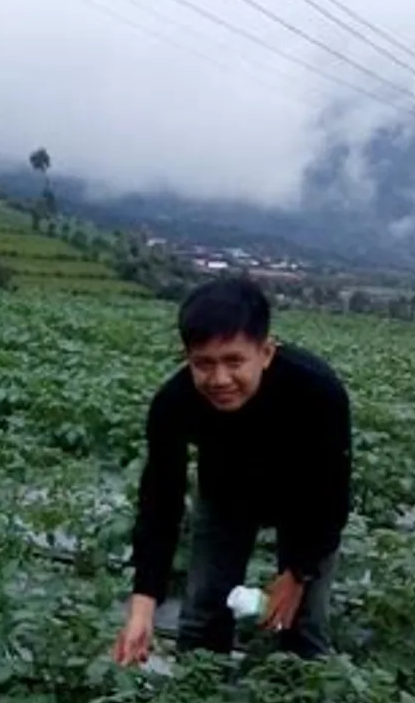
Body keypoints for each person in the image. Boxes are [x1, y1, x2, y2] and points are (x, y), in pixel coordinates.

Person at [112, 274, 351, 667]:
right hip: (225, 495)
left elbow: (331, 494)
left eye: (234, 361)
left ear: (266, 352)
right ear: (186, 356)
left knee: (303, 625)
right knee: (203, 611)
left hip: (304, 502)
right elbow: (160, 502)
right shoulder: (172, 404)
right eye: (203, 364)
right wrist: (143, 606)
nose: (220, 379)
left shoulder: (317, 391)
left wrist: (297, 573)